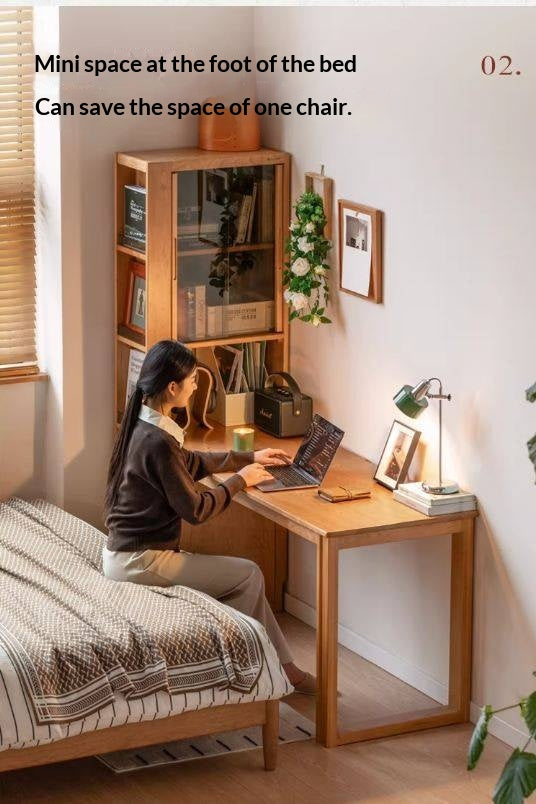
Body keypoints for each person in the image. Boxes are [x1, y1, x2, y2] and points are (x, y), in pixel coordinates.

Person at [104, 339, 315, 694]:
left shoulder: (143, 425)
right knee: (248, 574)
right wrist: (239, 482)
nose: (197, 385)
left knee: (244, 580)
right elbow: (197, 510)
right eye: (192, 380)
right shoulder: (157, 441)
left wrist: (249, 458)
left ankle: (276, 669)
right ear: (173, 388)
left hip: (127, 554)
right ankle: (255, 674)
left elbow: (189, 463)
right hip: (140, 560)